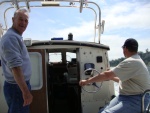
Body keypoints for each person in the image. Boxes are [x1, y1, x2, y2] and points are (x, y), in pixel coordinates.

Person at [79, 38, 150, 113]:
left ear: (125, 48)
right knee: (102, 111)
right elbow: (123, 81)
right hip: (125, 96)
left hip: (137, 99)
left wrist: (87, 81)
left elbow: (106, 75)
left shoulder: (131, 61)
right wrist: (111, 77)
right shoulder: (136, 60)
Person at [0, 8, 33, 113]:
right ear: (13, 19)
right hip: (17, 88)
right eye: (20, 19)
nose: (23, 23)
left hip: (17, 86)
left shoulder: (16, 37)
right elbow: (16, 67)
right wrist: (25, 91)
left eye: (26, 20)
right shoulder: (11, 38)